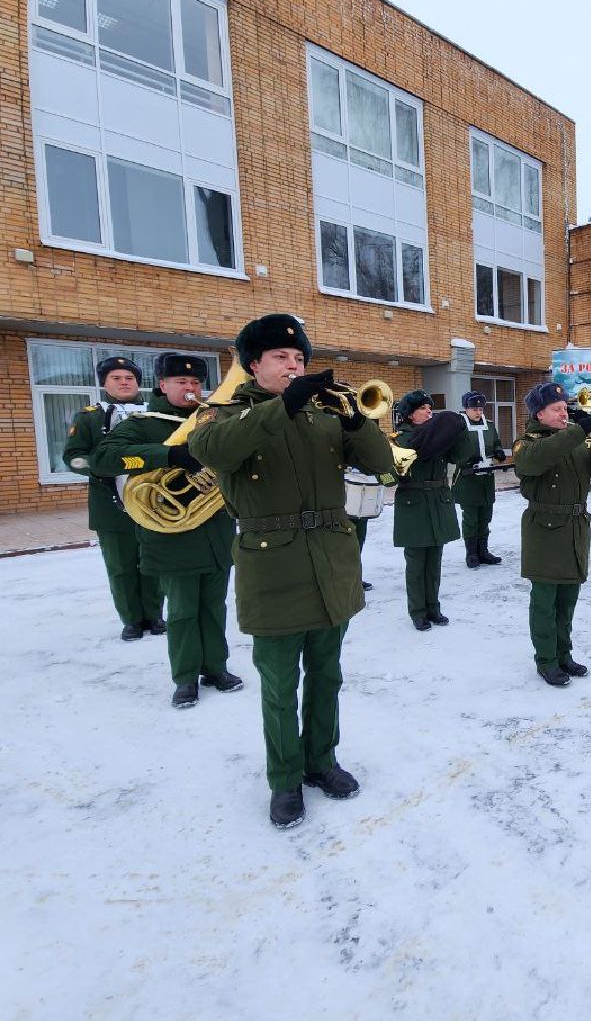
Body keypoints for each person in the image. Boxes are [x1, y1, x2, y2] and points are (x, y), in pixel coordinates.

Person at [188, 313, 398, 829]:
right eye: (281, 357)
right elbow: (214, 452)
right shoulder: (222, 415)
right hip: (272, 564)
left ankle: (321, 761)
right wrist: (287, 403)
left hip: (331, 560)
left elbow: (383, 464)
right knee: (280, 686)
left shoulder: (324, 416)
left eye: (299, 358)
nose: (293, 364)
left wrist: (353, 420)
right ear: (253, 365)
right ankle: (284, 780)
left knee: (327, 675)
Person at [95, 355, 239, 707]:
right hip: (171, 535)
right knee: (182, 611)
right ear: (162, 385)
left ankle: (216, 667)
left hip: (215, 530)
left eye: (194, 384)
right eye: (180, 382)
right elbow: (104, 459)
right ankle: (185, 678)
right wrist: (168, 456)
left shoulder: (215, 418)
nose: (190, 389)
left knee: (214, 606)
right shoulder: (145, 423)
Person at [512, 382, 591, 685]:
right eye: (556, 409)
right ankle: (546, 659)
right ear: (540, 414)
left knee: (568, 597)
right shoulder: (528, 442)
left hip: (575, 528)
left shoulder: (572, 439)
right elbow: (533, 462)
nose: (563, 414)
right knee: (545, 599)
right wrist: (576, 433)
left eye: (564, 408)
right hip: (544, 529)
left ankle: (564, 653)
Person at [63, 356, 166, 640]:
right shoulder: (90, 416)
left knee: (152, 561)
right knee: (121, 566)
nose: (124, 383)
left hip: (152, 500)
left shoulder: (154, 413)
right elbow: (73, 457)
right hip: (111, 503)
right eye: (116, 379)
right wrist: (100, 469)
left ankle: (154, 615)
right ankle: (132, 619)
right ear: (105, 384)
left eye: (129, 378)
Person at [392, 390, 467, 630]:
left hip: (437, 500)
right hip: (413, 502)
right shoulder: (401, 438)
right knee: (416, 563)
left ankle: (433, 607)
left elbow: (461, 456)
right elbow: (393, 472)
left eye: (429, 408)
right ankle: (418, 611)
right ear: (410, 414)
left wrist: (460, 431)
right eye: (422, 408)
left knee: (434, 561)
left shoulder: (438, 436)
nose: (428, 411)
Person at [449, 391, 506, 568]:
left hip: (486, 478)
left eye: (480, 409)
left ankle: (484, 551)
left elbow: (495, 442)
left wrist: (499, 451)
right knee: (471, 518)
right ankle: (471, 553)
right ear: (466, 409)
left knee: (485, 516)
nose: (478, 412)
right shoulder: (459, 426)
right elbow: (451, 452)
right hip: (468, 479)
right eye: (474, 409)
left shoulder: (489, 425)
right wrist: (465, 459)